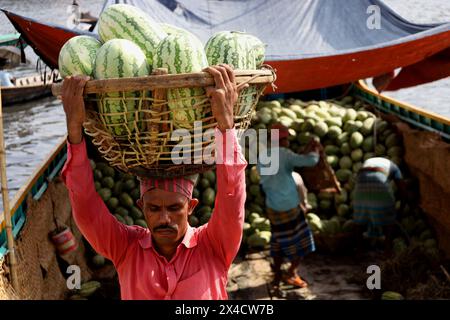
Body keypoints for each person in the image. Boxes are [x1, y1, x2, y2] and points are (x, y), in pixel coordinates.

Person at [60, 64, 247, 300]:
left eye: (174, 208)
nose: (164, 218)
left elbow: (232, 197)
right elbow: (87, 210)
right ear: (141, 207)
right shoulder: (126, 248)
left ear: (191, 207)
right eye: (154, 208)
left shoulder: (214, 245)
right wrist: (75, 130)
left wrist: (226, 126)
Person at [258, 123, 320, 290]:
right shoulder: (284, 153)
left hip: (272, 207)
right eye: (287, 139)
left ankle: (277, 276)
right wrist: (315, 151)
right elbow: (310, 161)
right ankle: (291, 272)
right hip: (289, 207)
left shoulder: (263, 156)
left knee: (278, 242)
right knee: (301, 243)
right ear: (282, 139)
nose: (289, 142)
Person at [352, 157, 409, 246]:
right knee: (389, 218)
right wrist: (401, 210)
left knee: (360, 218)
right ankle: (387, 251)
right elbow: (403, 191)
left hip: (361, 181)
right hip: (379, 179)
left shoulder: (370, 161)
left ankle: (358, 250)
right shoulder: (395, 168)